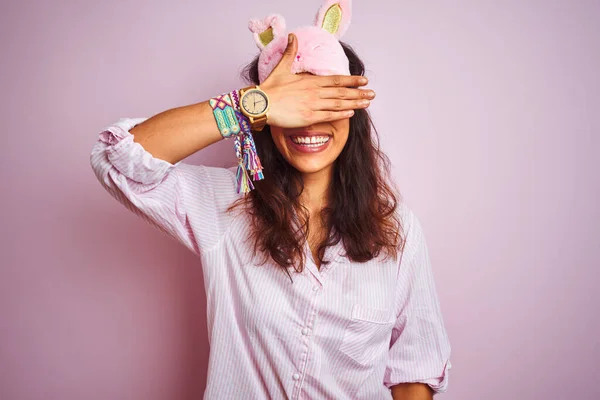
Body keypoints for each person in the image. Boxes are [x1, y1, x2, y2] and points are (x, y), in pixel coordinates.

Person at [90, 1, 451, 398]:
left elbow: (416, 365)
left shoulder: (397, 230)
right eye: (294, 105)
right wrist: (251, 104)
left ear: (353, 111)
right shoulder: (226, 204)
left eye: (323, 100)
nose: (308, 122)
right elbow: (117, 156)